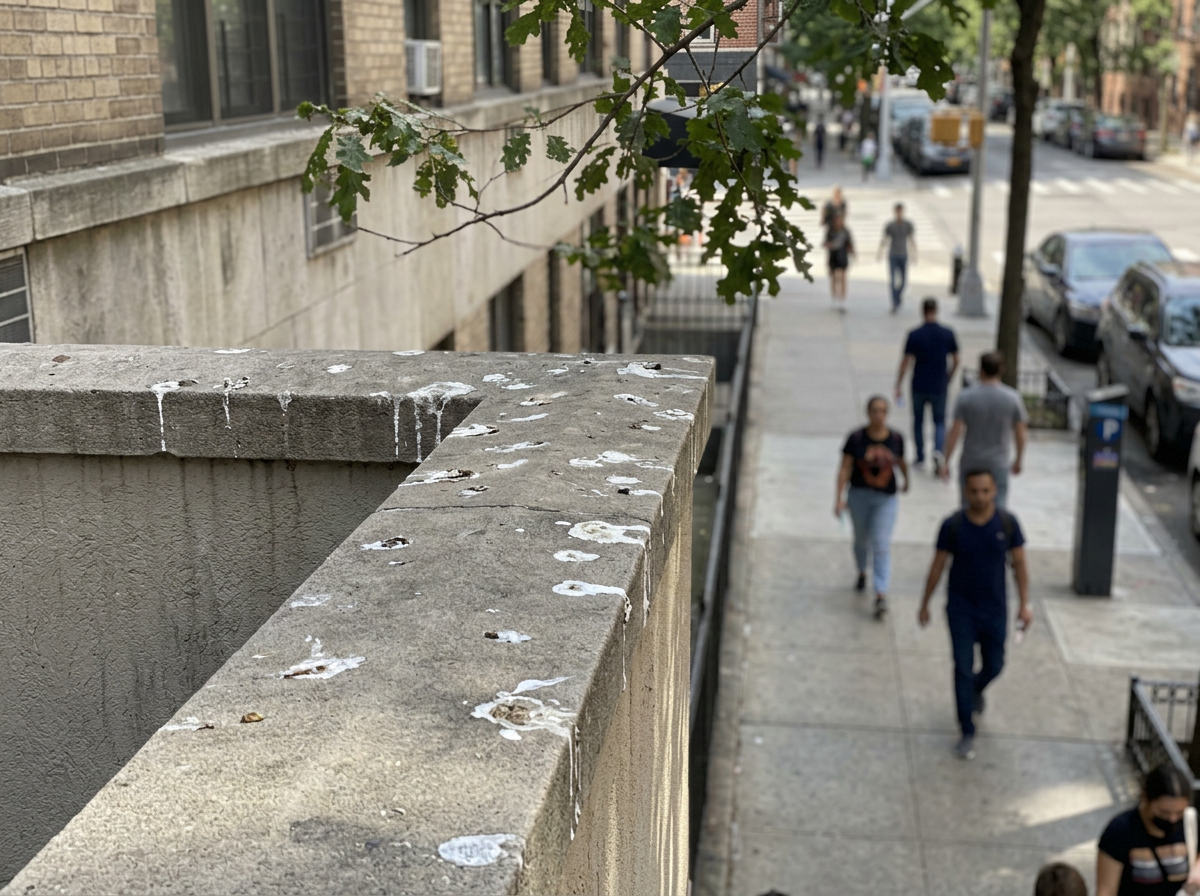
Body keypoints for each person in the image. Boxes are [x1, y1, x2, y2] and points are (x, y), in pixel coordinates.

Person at [918, 469, 1031, 760]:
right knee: (962, 667)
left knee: (995, 663)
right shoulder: (952, 525)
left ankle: (976, 690)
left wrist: (1024, 604)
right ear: (965, 492)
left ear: (994, 491)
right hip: (961, 609)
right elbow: (938, 565)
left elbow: (1019, 564)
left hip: (994, 608)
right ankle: (966, 727)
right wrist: (925, 602)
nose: (980, 497)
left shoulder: (1007, 524)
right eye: (974, 491)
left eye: (985, 491)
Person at [835, 396, 909, 619]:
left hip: (885, 498)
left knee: (881, 543)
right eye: (874, 411)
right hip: (859, 495)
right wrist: (839, 497)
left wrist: (906, 480)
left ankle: (880, 593)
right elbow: (845, 467)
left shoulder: (895, 438)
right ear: (868, 413)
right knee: (861, 539)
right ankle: (861, 569)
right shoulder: (856, 438)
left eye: (882, 411)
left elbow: (901, 461)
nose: (878, 415)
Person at [940, 351, 1027, 509]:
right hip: (998, 461)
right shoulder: (1012, 398)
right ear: (1001, 370)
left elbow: (955, 431)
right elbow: (1020, 433)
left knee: (968, 506)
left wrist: (947, 460)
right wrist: (1019, 459)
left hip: (971, 459)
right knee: (998, 506)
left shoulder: (966, 397)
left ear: (981, 371)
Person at [1097, 762, 1200, 895]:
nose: (1172, 819)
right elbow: (1107, 890)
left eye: (1180, 812)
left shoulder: (1191, 821)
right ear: (1146, 798)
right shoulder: (1120, 831)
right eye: (1164, 812)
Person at [895, 298, 960, 473]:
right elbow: (956, 359)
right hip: (939, 384)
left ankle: (920, 456)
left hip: (919, 384)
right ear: (936, 310)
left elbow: (906, 361)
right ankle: (938, 451)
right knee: (939, 421)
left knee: (918, 421)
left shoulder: (915, 334)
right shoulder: (947, 333)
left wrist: (898, 384)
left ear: (922, 311)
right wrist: (949, 377)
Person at [878, 202, 917, 312]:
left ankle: (898, 296)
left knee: (904, 281)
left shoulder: (907, 225)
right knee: (893, 280)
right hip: (893, 255)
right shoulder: (890, 225)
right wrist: (880, 252)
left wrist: (914, 254)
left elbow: (911, 239)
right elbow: (885, 239)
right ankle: (894, 302)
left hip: (903, 254)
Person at [824, 212, 855, 310]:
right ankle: (834, 298)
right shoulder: (830, 231)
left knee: (842, 277)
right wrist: (830, 245)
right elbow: (825, 243)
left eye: (840, 219)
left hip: (843, 255)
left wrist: (852, 252)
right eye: (837, 219)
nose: (838, 221)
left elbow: (850, 243)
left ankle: (843, 300)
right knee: (833, 278)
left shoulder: (845, 231)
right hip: (833, 256)